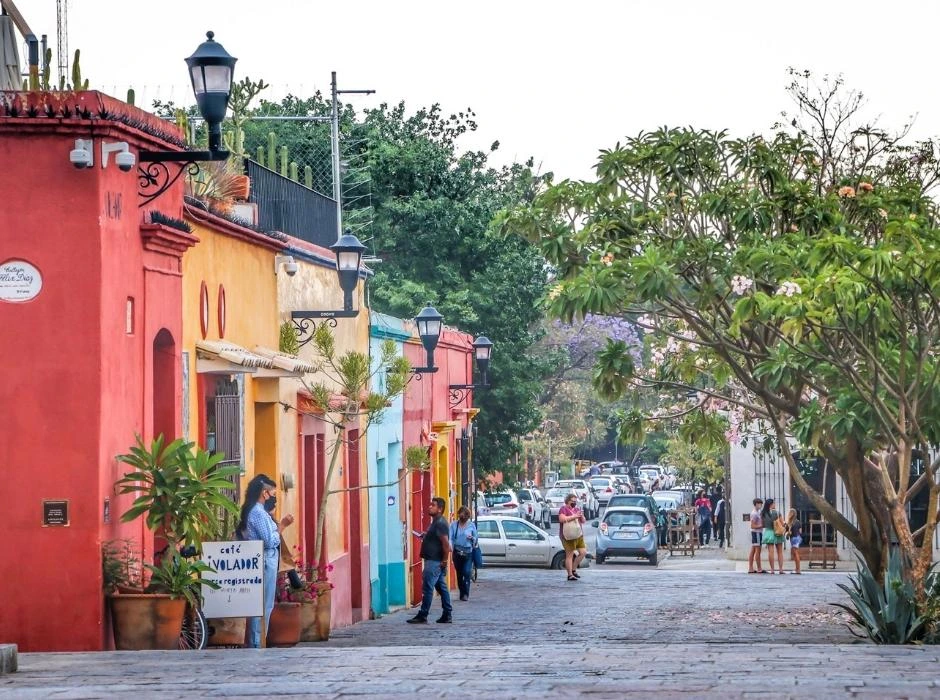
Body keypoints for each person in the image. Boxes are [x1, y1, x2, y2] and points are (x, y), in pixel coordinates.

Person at [237, 473, 294, 648]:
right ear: (264, 493)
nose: (274, 497)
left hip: (265, 559)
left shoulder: (259, 512)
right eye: (273, 493)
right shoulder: (258, 513)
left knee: (263, 604)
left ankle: (259, 640)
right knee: (262, 605)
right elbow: (269, 540)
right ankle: (257, 642)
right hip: (264, 559)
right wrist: (282, 526)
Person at [407, 497, 453, 624]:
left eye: (433, 505)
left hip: (434, 561)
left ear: (440, 509)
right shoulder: (435, 522)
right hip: (433, 560)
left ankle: (423, 614)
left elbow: (445, 544)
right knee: (441, 588)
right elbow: (437, 539)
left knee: (427, 588)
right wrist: (426, 535)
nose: (429, 507)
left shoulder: (440, 523)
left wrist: (444, 561)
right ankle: (447, 613)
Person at [450, 506, 478, 601]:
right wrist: (450, 547)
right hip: (457, 552)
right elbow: (450, 538)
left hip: (468, 552)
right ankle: (462, 592)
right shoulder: (454, 525)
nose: (463, 517)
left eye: (465, 516)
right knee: (459, 574)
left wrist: (472, 538)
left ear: (467, 516)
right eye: (461, 515)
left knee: (466, 572)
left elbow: (476, 538)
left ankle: (466, 594)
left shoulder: (471, 525)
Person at [558, 493, 587, 581]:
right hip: (568, 535)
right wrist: (574, 516)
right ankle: (570, 574)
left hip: (578, 534)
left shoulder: (577, 509)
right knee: (569, 554)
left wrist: (581, 516)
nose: (574, 503)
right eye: (572, 501)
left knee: (583, 552)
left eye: (575, 501)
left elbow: (583, 521)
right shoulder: (563, 509)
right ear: (567, 501)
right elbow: (561, 519)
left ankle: (574, 569)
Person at [761, 497, 785, 574]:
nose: (775, 504)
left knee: (770, 552)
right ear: (771, 504)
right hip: (777, 532)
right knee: (780, 552)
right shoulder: (777, 513)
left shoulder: (763, 513)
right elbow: (782, 523)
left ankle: (772, 570)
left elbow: (763, 524)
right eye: (774, 503)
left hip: (768, 532)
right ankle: (781, 569)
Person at [748, 498, 766, 574]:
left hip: (756, 533)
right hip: (756, 533)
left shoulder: (758, 512)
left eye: (761, 504)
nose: (760, 505)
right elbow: (752, 526)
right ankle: (759, 568)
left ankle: (751, 568)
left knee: (753, 551)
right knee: (757, 551)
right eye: (759, 504)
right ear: (755, 504)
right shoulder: (754, 513)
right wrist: (761, 525)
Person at [786, 508, 803, 575]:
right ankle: (797, 569)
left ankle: (798, 569)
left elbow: (787, 532)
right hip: (798, 538)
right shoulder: (798, 521)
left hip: (794, 538)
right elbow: (800, 531)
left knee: (795, 554)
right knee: (795, 554)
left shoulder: (789, 523)